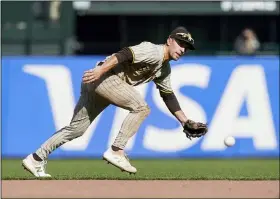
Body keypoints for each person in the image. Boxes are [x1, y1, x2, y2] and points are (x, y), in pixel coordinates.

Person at [22, 26, 207, 177]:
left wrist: (184, 121)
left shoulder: (164, 69)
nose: (182, 49)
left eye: (186, 47)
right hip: (104, 77)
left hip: (100, 82)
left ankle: (36, 158)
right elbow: (125, 54)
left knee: (76, 129)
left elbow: (168, 95)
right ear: (169, 40)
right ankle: (116, 151)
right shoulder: (154, 51)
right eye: (181, 43)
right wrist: (101, 71)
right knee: (141, 108)